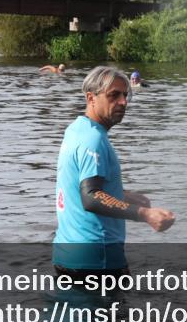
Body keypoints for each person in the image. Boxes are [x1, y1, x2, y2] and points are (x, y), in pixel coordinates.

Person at [53, 66, 175, 278]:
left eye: (125, 95)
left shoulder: (75, 130)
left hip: (68, 255)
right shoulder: (94, 140)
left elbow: (80, 186)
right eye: (113, 95)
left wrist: (123, 194)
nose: (123, 102)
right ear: (91, 98)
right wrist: (144, 214)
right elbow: (91, 198)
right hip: (97, 261)